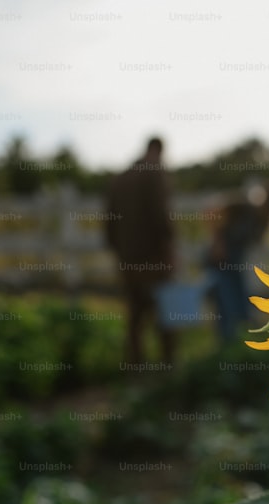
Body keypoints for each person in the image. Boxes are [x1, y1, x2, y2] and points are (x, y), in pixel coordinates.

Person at [105, 137, 176, 365]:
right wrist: (169, 250)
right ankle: (167, 366)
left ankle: (135, 367)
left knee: (135, 317)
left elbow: (109, 223)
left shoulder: (120, 179)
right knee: (165, 312)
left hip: (127, 259)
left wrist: (119, 252)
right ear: (158, 150)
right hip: (154, 259)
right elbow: (160, 217)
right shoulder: (154, 174)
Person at [205, 180, 269, 343]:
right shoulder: (243, 206)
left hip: (236, 265)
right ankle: (226, 345)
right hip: (220, 262)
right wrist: (218, 241)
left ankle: (234, 344)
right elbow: (212, 212)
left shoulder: (262, 223)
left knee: (238, 306)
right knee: (226, 304)